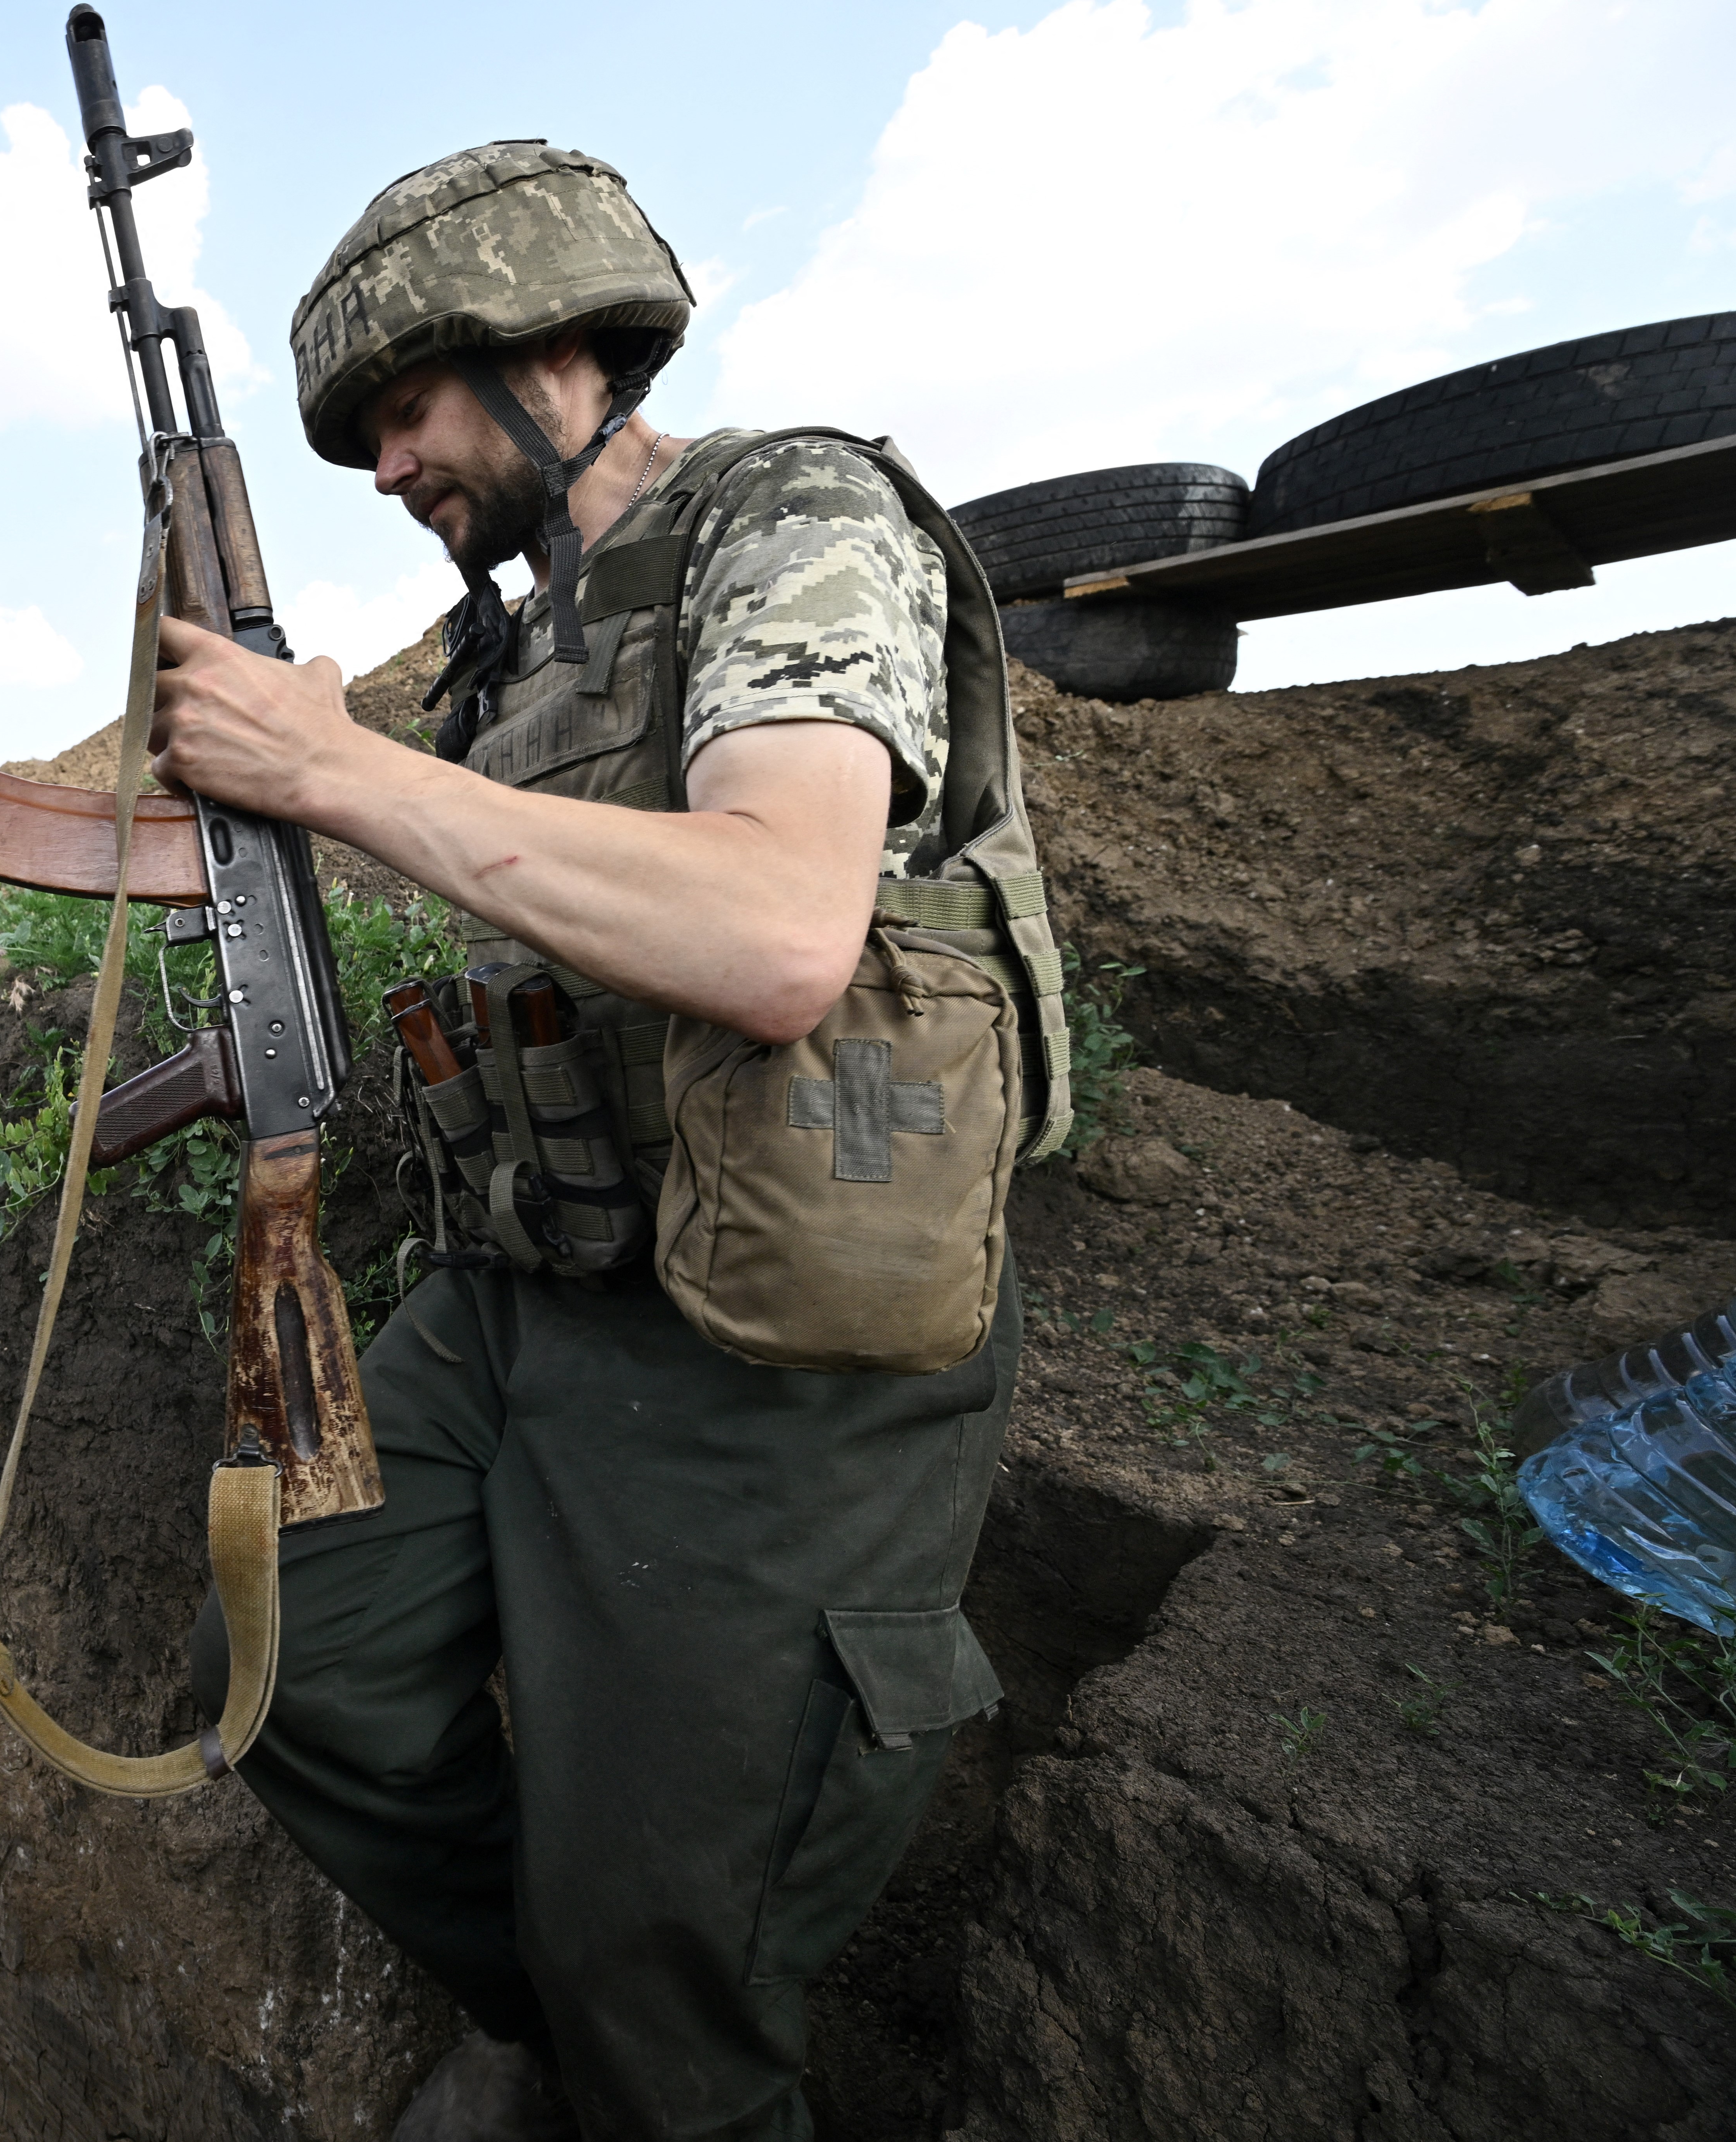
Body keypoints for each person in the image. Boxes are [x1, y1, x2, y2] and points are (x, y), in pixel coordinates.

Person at [153, 144, 1061, 2141]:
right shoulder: (509, 652)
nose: (389, 469)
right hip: (529, 1288)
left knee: (675, 1959)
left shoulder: (794, 516)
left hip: (776, 1351)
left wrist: (340, 766)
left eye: (403, 409)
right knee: (288, 1647)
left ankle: (649, 2049)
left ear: (545, 344)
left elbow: (777, 929)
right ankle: (566, 2007)